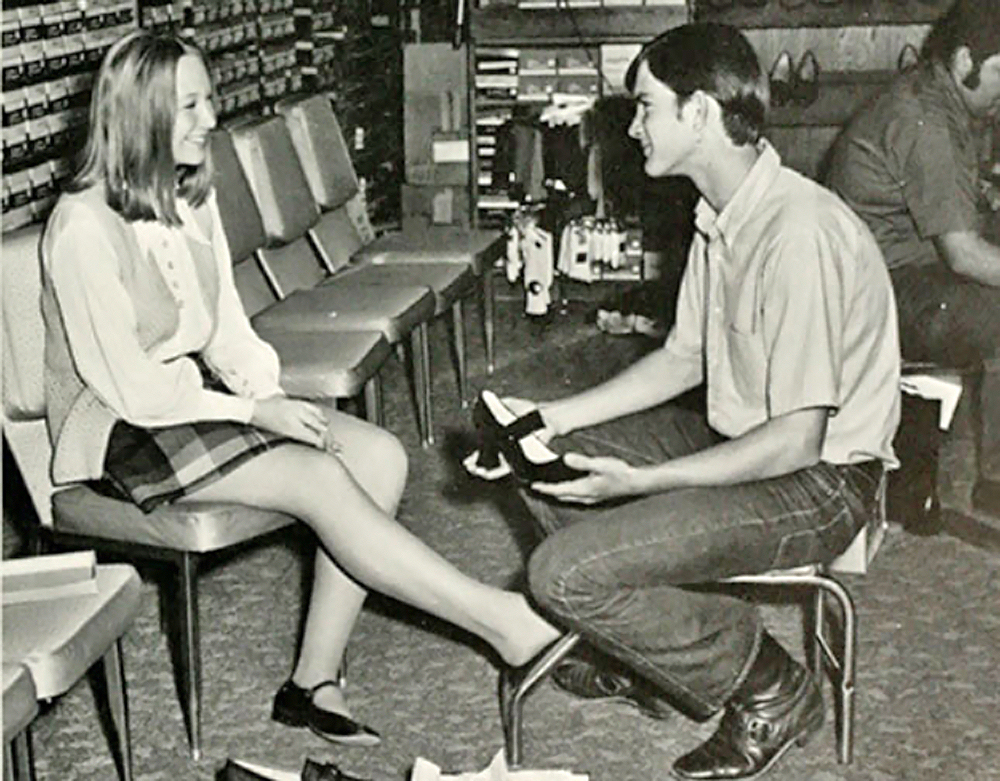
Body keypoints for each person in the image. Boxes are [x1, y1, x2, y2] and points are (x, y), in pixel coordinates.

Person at [41, 29, 560, 748]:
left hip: (189, 399)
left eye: (210, 100)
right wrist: (257, 413)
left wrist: (278, 399)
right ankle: (502, 623)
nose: (210, 119)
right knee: (319, 475)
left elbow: (224, 330)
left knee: (378, 456)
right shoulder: (82, 227)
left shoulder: (188, 195)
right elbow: (131, 391)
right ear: (138, 114)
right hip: (116, 429)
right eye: (188, 105)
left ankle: (311, 682)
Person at [467, 23, 900, 780]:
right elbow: (684, 356)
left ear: (699, 112)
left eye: (644, 108)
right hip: (745, 439)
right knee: (550, 461)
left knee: (561, 574)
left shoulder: (796, 232)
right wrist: (554, 418)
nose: (632, 128)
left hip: (822, 481)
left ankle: (771, 685)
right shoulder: (723, 210)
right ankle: (651, 648)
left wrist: (645, 483)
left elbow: (798, 440)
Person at [826, 0, 1000, 517]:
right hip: (881, 292)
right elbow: (965, 255)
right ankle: (995, 481)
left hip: (905, 269)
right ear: (965, 59)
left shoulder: (941, 95)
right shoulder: (926, 119)